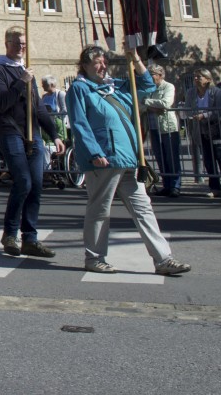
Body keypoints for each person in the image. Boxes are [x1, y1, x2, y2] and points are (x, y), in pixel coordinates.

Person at [67, 45, 191, 276]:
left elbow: (146, 85)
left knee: (143, 209)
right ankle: (94, 258)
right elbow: (80, 124)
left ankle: (163, 258)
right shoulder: (80, 89)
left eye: (104, 61)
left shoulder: (116, 86)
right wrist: (94, 153)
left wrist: (135, 59)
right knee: (100, 210)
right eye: (97, 62)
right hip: (103, 160)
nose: (103, 66)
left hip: (127, 159)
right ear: (85, 65)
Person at [0, 27, 62, 258]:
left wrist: (55, 133)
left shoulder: (24, 70)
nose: (22, 47)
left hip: (34, 133)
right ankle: (10, 234)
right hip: (10, 130)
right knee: (23, 181)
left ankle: (30, 238)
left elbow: (37, 106)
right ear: (7, 43)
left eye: (24, 44)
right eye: (17, 43)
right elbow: (2, 102)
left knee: (36, 185)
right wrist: (21, 82)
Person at [189, 69, 221, 198]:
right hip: (201, 130)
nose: (197, 79)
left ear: (208, 79)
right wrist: (191, 114)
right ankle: (215, 187)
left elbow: (220, 111)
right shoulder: (191, 93)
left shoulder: (216, 92)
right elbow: (188, 108)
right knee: (209, 160)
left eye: (200, 77)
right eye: (195, 76)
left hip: (217, 129)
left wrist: (204, 115)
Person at [142, 65, 181, 197]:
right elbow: (142, 105)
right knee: (160, 158)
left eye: (152, 74)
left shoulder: (168, 87)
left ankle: (175, 186)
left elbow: (166, 103)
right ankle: (166, 184)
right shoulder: (149, 88)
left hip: (167, 128)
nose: (150, 76)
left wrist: (147, 102)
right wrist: (152, 106)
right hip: (153, 128)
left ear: (160, 75)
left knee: (171, 157)